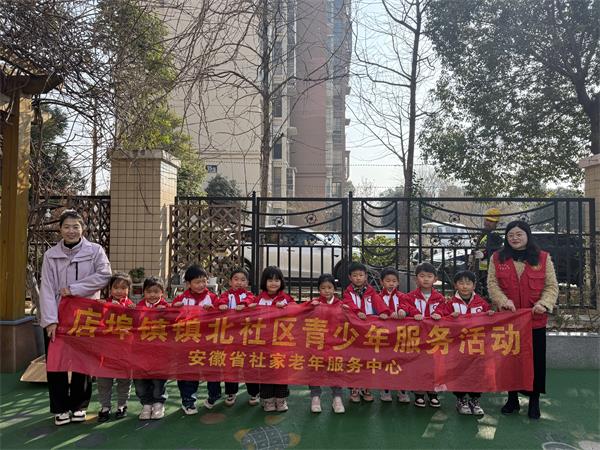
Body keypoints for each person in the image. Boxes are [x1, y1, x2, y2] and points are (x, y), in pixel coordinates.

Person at [39, 209, 112, 426]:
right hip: (58, 315)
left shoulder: (95, 251)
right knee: (56, 363)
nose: (71, 231)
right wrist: (50, 320)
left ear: (83, 228)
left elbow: (104, 275)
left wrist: (74, 289)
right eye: (67, 227)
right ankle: (60, 408)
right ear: (60, 229)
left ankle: (79, 406)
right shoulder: (50, 255)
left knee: (83, 360)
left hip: (84, 315)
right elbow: (47, 288)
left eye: (75, 227)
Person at [487, 220, 558, 420]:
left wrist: (544, 304)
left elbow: (551, 286)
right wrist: (503, 301)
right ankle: (512, 399)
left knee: (535, 362)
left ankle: (534, 401)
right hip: (508, 320)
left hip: (535, 321)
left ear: (527, 236)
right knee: (509, 360)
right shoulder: (497, 258)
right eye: (511, 235)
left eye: (519, 234)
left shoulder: (543, 258)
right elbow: (492, 283)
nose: (515, 238)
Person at [433, 270, 494, 416]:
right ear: (455, 285)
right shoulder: (450, 303)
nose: (465, 286)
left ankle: (475, 399)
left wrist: (491, 314)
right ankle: (461, 399)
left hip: (476, 346)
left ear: (474, 285)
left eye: (468, 283)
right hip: (458, 347)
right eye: (461, 283)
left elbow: (490, 317)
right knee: (459, 371)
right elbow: (440, 314)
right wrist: (447, 316)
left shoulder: (481, 303)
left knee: (477, 372)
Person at [171, 265, 218, 414]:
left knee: (212, 371)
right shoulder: (181, 299)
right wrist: (175, 308)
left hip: (208, 343)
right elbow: (170, 317)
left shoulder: (212, 298)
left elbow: (222, 315)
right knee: (188, 373)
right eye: (197, 282)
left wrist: (214, 310)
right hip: (187, 343)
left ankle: (214, 396)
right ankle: (188, 401)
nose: (201, 285)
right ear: (188, 284)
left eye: (204, 281)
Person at [342, 262, 390, 403]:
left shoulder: (371, 292)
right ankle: (355, 388)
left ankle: (367, 388)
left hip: (369, 333)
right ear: (350, 277)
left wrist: (384, 312)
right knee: (354, 360)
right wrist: (357, 312)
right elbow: (348, 305)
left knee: (369, 360)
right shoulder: (348, 293)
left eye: (361, 275)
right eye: (355, 275)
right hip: (354, 333)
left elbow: (379, 304)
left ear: (366, 276)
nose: (358, 278)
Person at [253, 266, 295, 412]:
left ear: (281, 282)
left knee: (281, 371)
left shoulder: (286, 299)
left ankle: (281, 399)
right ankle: (268, 400)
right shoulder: (259, 299)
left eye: (277, 280)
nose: (273, 283)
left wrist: (286, 307)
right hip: (263, 343)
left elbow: (296, 310)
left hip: (281, 343)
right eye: (270, 280)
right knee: (265, 371)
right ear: (264, 282)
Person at [215, 267, 258, 407]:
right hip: (230, 338)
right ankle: (231, 392)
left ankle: (254, 393)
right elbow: (219, 301)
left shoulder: (249, 295)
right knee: (230, 364)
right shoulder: (226, 295)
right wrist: (221, 305)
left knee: (249, 365)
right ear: (230, 281)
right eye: (236, 279)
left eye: (243, 280)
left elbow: (252, 301)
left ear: (247, 283)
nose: (239, 282)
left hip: (246, 337)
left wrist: (243, 304)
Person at [96, 272, 135, 422]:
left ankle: (122, 405)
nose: (119, 291)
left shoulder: (133, 307)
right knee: (104, 380)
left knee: (124, 380)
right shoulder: (102, 305)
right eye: (116, 287)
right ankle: (105, 407)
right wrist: (103, 307)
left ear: (129, 289)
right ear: (110, 289)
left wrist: (132, 313)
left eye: (123, 288)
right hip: (106, 351)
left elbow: (138, 327)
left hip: (125, 351)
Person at [305, 274, 345, 414]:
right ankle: (315, 397)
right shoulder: (314, 304)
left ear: (334, 289)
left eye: (329, 287)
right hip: (317, 344)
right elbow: (299, 311)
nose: (326, 291)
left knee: (335, 369)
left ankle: (337, 398)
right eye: (323, 288)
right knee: (315, 369)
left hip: (335, 345)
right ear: (319, 290)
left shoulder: (341, 305)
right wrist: (309, 307)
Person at [405, 262, 443, 408]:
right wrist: (414, 313)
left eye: (429, 276)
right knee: (418, 364)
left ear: (435, 279)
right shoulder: (410, 297)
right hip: (416, 338)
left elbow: (445, 309)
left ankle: (433, 393)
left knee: (434, 365)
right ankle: (419, 393)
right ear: (416, 279)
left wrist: (439, 313)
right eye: (422, 276)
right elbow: (405, 306)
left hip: (434, 338)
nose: (426, 279)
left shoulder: (440, 298)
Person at [134, 277, 169, 420]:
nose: (152, 295)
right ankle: (146, 404)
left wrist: (166, 313)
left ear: (162, 292)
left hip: (160, 352)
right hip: (141, 352)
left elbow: (176, 324)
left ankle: (158, 404)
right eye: (149, 292)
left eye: (156, 291)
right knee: (140, 381)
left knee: (158, 380)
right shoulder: (138, 307)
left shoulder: (167, 308)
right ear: (144, 292)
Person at [378, 267, 411, 403]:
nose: (391, 283)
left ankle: (402, 388)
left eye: (394, 281)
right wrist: (384, 312)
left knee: (401, 360)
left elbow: (407, 306)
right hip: (384, 335)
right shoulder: (377, 297)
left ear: (398, 282)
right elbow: (376, 309)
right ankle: (385, 388)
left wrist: (403, 310)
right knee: (385, 360)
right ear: (381, 282)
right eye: (388, 281)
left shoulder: (403, 296)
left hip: (400, 335)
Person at [472, 207, 504, 297]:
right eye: (486, 219)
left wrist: (484, 254)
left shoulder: (496, 235)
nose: (487, 222)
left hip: (489, 268)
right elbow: (478, 246)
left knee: (487, 291)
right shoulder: (484, 232)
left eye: (491, 221)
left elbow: (496, 249)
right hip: (480, 267)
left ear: (496, 223)